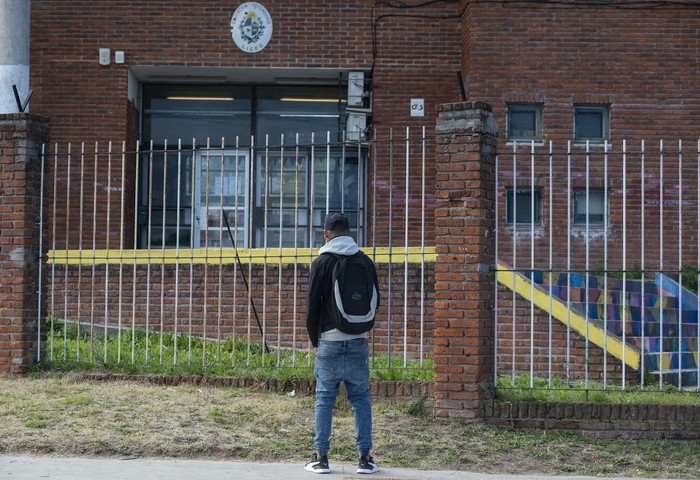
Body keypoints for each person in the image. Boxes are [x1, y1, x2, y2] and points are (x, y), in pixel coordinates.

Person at [304, 212, 379, 475]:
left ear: (326, 234)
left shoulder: (321, 262)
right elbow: (374, 300)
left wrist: (316, 340)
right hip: (358, 341)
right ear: (349, 232)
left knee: (324, 400)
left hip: (329, 342)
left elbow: (312, 306)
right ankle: (365, 460)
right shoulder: (365, 262)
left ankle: (321, 458)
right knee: (361, 401)